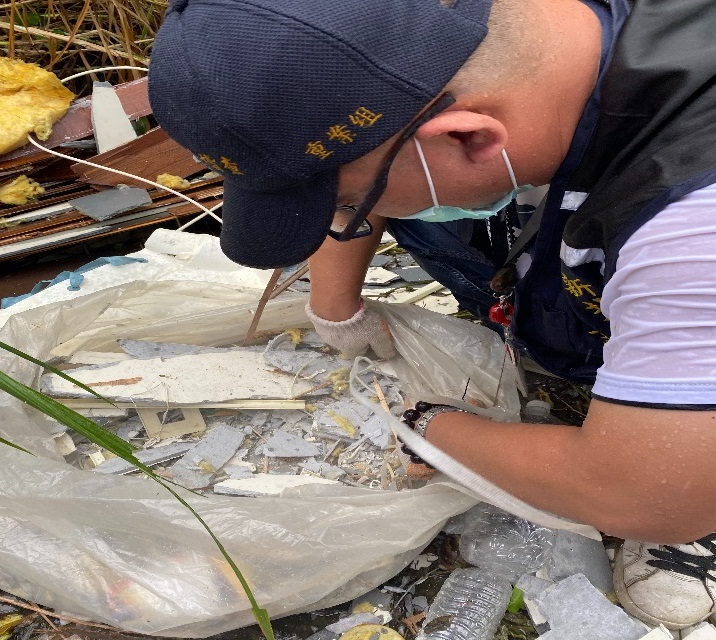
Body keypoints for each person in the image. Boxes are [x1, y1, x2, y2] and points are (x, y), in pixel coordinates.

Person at [148, 0, 716, 629]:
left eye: (344, 202)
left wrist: (429, 424)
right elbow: (385, 139)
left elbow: (640, 494)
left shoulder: (690, 230)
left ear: (470, 136)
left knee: (671, 480)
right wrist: (335, 306)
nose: (348, 219)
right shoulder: (524, 39)